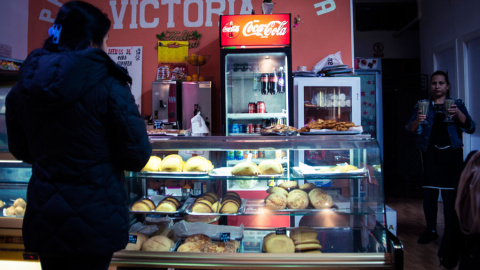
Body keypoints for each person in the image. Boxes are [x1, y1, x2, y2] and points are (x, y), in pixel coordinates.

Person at [5, 1, 152, 269]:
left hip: (46, 217)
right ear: (91, 41)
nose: (107, 48)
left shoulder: (25, 83)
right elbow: (137, 156)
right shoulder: (109, 83)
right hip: (95, 220)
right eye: (105, 40)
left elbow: (20, 149)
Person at [406, 70, 475, 267]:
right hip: (430, 154)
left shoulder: (457, 104)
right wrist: (418, 120)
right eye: (434, 83)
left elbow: (471, 127)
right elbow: (409, 129)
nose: (437, 86)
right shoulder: (422, 104)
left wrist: (459, 114)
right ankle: (431, 230)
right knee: (429, 195)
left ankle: (450, 233)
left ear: (448, 86)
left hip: (451, 155)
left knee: (450, 197)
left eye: (441, 83)